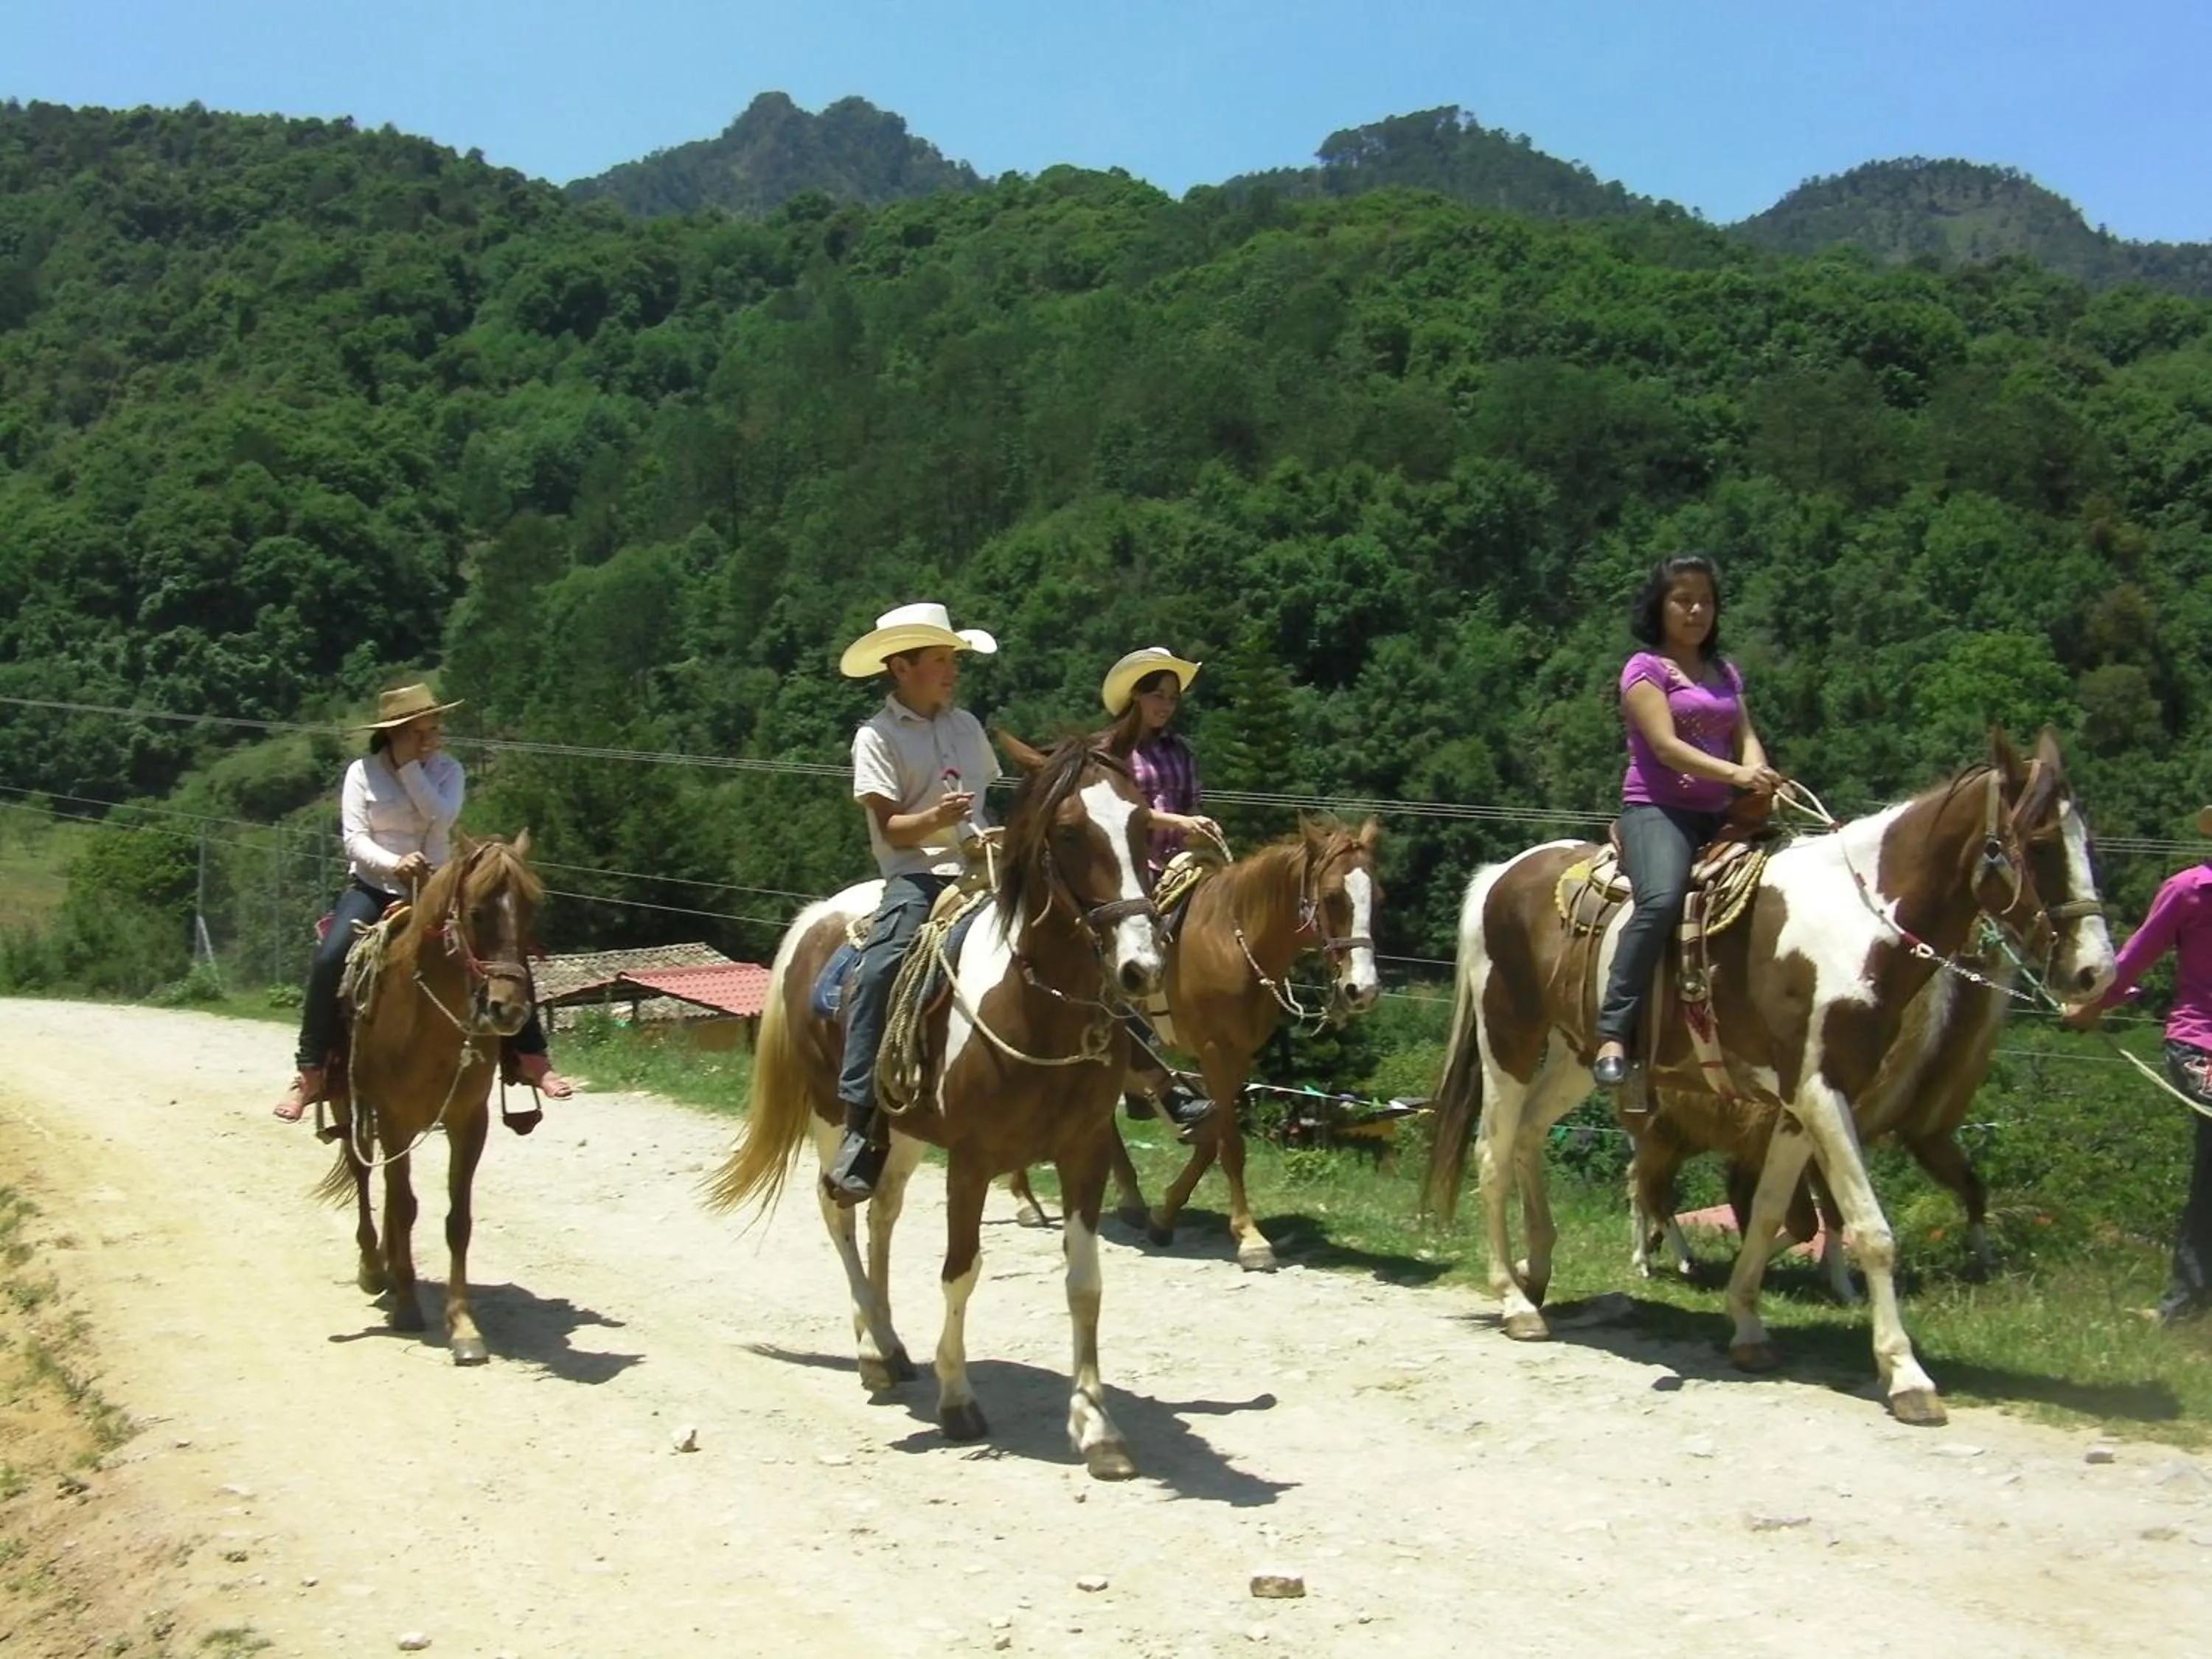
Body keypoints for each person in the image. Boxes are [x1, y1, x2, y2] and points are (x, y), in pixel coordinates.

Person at [274, 684, 572, 1124]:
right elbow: (354, 840)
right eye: (421, 732)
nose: (433, 739)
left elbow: (441, 817)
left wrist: (412, 766)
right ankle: (312, 1070)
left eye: (434, 730)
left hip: (439, 887)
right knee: (330, 957)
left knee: (503, 948)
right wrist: (394, 864)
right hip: (374, 888)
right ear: (394, 734)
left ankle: (531, 1057)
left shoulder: (448, 771)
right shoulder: (361, 773)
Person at [829, 602, 1004, 1203]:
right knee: (880, 970)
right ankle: (861, 1120)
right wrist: (938, 818)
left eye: (952, 659)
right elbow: (893, 828)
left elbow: (982, 807)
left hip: (983, 867)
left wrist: (990, 834)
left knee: (1081, 921)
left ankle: (1148, 1076)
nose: (951, 670)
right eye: (939, 660)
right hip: (918, 876)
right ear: (900, 667)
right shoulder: (875, 737)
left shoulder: (967, 726)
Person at [1593, 554, 1781, 1088]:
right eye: (1683, 599)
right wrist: (1737, 774)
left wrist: (1759, 771)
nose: (1696, 610)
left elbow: (1745, 736)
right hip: (1657, 811)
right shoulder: (1644, 670)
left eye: (1705, 600)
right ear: (1660, 607)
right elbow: (1666, 748)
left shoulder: (1724, 673)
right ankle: (1614, 1029)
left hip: (1720, 814)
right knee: (1661, 899)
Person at [2062, 806, 2212, 1324]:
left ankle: (2186, 1308)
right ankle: (2185, 1306)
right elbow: (2137, 953)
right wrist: (2095, 1004)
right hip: (2202, 1046)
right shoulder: (2190, 890)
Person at [1096, 646, 1220, 1140]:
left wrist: (1199, 831)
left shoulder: (1181, 751)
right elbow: (1125, 814)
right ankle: (1140, 1066)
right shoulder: (1114, 751)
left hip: (1179, 860)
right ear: (1136, 698)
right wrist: (1176, 821)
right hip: (1134, 866)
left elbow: (1193, 802)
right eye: (1157, 696)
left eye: (1172, 697)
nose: (1166, 705)